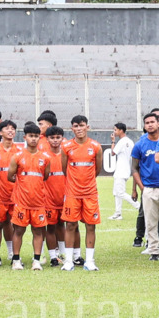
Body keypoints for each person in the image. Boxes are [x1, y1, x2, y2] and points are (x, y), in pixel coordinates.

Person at [60, 115, 102, 271]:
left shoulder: (96, 146)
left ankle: (90, 261)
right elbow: (64, 169)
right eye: (76, 126)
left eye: (82, 125)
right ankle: (68, 261)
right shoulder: (66, 147)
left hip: (90, 193)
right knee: (70, 225)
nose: (79, 129)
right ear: (72, 129)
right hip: (72, 194)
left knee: (91, 226)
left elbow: (97, 169)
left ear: (87, 127)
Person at [7, 123, 51, 270]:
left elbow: (44, 177)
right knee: (18, 230)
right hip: (21, 202)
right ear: (25, 137)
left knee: (38, 231)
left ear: (39, 137)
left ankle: (36, 260)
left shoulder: (45, 158)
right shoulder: (18, 156)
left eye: (36, 136)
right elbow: (10, 176)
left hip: (38, 202)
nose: (33, 139)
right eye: (31, 136)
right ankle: (16, 260)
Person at [132, 112, 159, 261]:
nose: (149, 125)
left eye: (152, 122)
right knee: (150, 221)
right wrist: (141, 187)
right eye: (146, 123)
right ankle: (154, 250)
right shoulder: (140, 144)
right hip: (149, 188)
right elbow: (134, 168)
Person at [0, 120, 21, 266]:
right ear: (0, 132)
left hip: (16, 196)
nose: (10, 131)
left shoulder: (19, 151)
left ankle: (15, 256)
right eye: (7, 128)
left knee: (16, 226)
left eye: (13, 129)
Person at [41, 125, 66, 266]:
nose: (55, 140)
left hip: (64, 197)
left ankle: (63, 253)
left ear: (62, 138)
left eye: (58, 137)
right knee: (50, 227)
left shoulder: (66, 154)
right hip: (48, 199)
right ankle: (53, 256)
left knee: (62, 225)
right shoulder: (44, 156)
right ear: (47, 139)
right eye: (52, 138)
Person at [109, 123, 137, 220]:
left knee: (120, 193)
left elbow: (113, 153)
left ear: (121, 130)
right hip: (126, 170)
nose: (114, 132)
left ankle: (139, 206)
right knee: (117, 192)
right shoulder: (130, 141)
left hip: (121, 170)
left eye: (115, 130)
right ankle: (118, 213)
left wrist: (113, 141)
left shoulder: (121, 142)